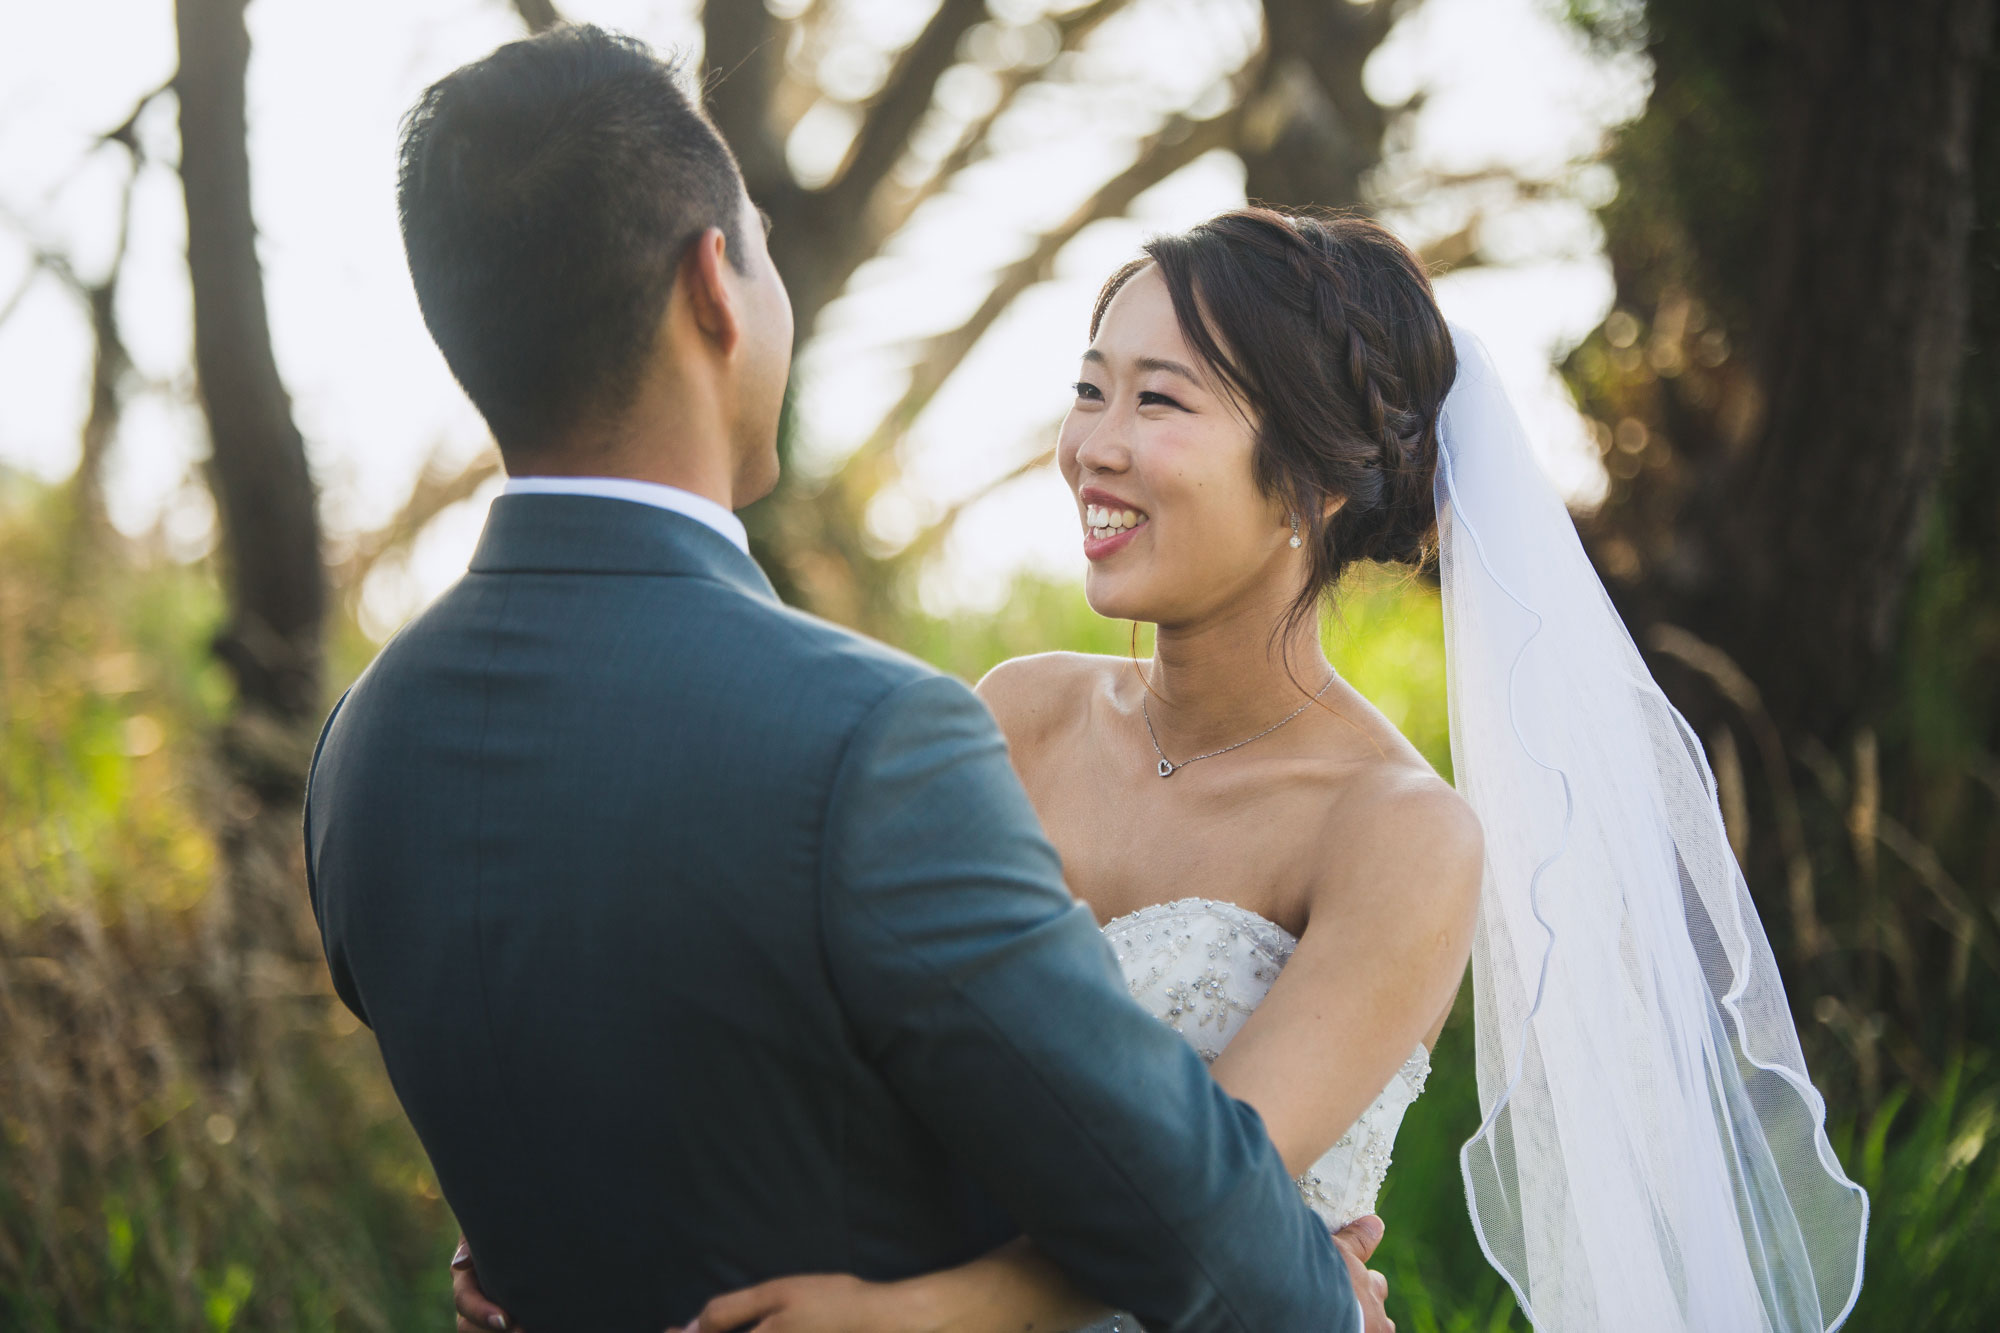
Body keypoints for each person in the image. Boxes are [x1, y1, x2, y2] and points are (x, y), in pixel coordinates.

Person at [468, 201, 1872, 1329]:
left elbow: (1210, 1193)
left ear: (1314, 485)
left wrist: (916, 1319)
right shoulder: (1011, 714)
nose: (1098, 445)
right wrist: (589, 1224)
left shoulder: (1396, 834)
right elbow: (810, 1052)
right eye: (1090, 390)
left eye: (1162, 400)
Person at [305, 25, 1388, 1333]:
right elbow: (1189, 1224)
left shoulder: (362, 748)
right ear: (717, 285)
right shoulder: (872, 740)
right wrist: (1324, 1296)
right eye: (761, 243)